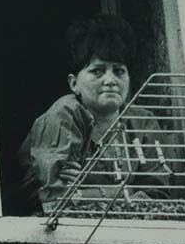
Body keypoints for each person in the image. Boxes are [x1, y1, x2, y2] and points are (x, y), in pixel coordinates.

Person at [18, 14, 170, 214]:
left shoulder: (143, 122)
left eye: (119, 71)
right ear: (74, 83)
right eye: (98, 71)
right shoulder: (64, 115)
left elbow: (160, 194)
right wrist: (127, 194)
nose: (110, 80)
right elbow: (55, 201)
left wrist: (88, 193)